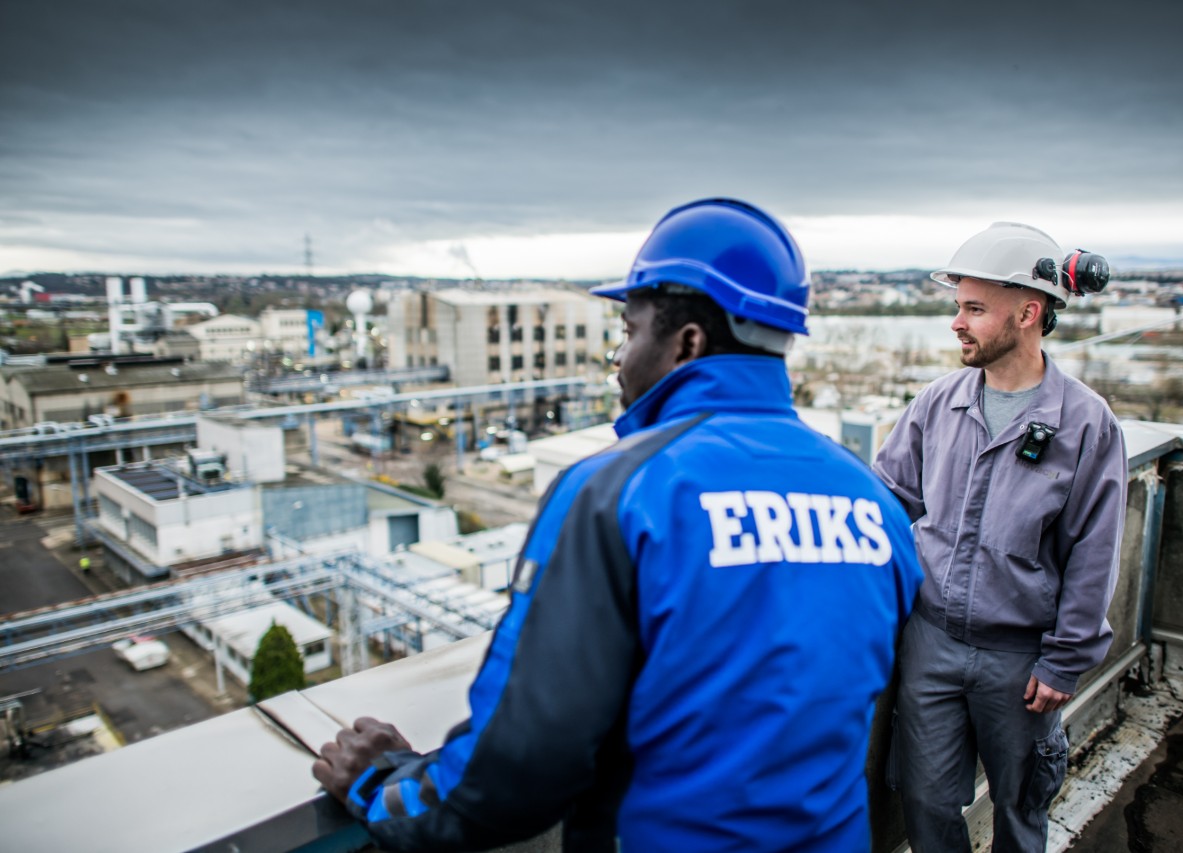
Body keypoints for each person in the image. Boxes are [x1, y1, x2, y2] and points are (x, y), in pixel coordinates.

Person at [312, 198, 924, 852]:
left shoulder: (618, 493)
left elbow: (517, 769)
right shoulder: (874, 504)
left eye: (629, 332)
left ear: (686, 342)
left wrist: (384, 786)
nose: (619, 358)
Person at [873, 222, 1128, 852]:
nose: (956, 323)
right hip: (929, 645)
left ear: (1029, 312)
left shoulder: (1085, 423)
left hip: (1022, 661)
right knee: (927, 800)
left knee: (1020, 805)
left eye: (974, 309)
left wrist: (1065, 658)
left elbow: (1095, 552)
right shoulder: (938, 403)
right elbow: (882, 502)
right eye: (958, 306)